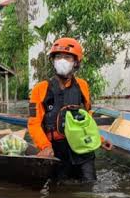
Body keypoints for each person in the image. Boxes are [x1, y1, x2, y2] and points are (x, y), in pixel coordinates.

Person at [28, 37, 107, 182]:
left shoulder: (82, 86)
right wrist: (45, 147)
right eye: (58, 57)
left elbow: (86, 118)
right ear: (53, 61)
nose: (62, 60)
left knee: (90, 187)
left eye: (67, 57)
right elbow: (33, 123)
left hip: (83, 147)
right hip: (57, 150)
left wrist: (99, 140)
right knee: (59, 190)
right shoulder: (40, 89)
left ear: (76, 62)